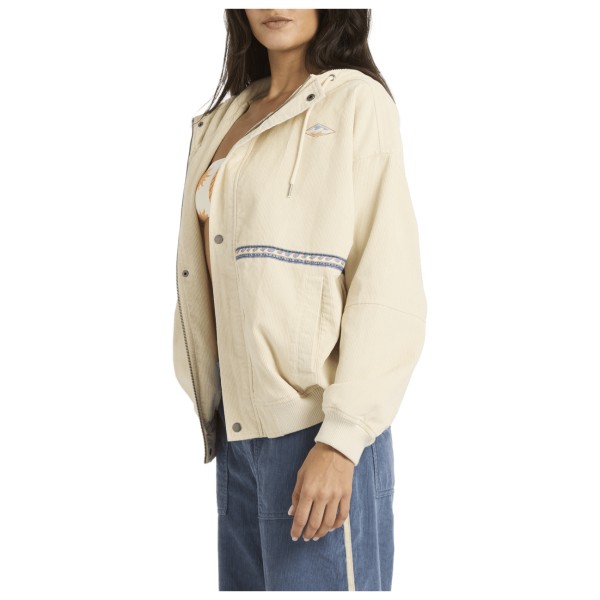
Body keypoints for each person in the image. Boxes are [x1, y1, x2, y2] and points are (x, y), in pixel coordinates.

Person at [172, 8, 427, 591]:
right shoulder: (226, 118)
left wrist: (341, 442)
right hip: (237, 436)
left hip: (318, 434)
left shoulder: (356, 103)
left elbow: (387, 282)